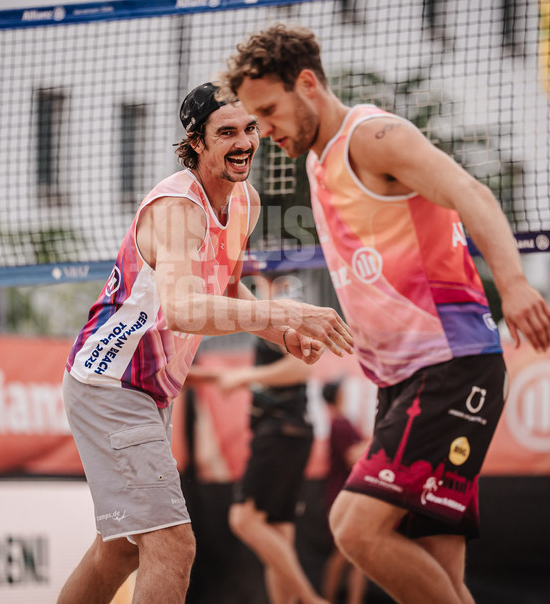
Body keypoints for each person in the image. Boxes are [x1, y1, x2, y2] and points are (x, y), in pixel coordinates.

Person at [224, 23, 550, 604]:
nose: (262, 131)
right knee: (439, 572)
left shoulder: (373, 136)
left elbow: (472, 193)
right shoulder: (316, 163)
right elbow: (369, 270)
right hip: (401, 380)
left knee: (354, 528)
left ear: (308, 83)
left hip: (450, 366)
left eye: (268, 111)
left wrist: (517, 283)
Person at [57, 82, 354, 604]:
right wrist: (285, 310)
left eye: (249, 129)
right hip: (110, 382)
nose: (244, 142)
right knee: (173, 545)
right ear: (196, 142)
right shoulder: (178, 209)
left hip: (147, 390)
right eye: (227, 133)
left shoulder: (246, 202)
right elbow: (186, 309)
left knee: (122, 549)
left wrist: (281, 334)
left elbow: (223, 287)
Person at [215, 271, 324, 604]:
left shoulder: (285, 305)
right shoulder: (268, 302)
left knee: (243, 519)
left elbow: (303, 367)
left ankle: (310, 599)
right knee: (278, 535)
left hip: (280, 430)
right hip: (289, 430)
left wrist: (246, 375)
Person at [319, 380, 368, 604]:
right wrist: (375, 444)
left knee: (359, 559)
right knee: (341, 555)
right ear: (336, 395)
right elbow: (352, 458)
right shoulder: (339, 425)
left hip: (355, 497)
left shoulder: (345, 422)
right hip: (342, 497)